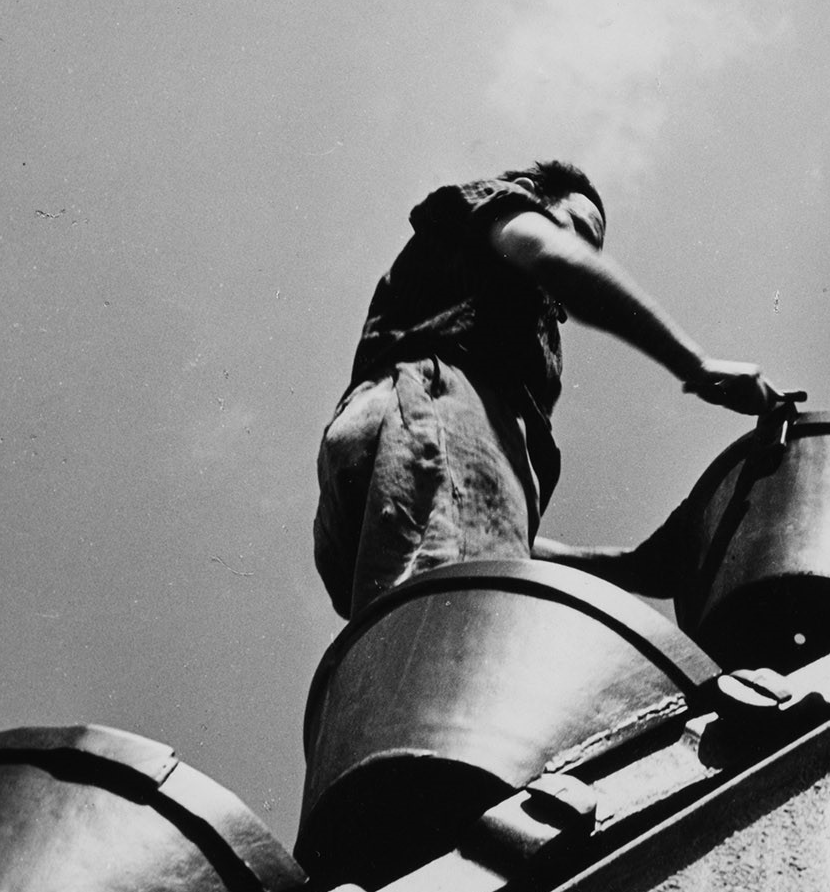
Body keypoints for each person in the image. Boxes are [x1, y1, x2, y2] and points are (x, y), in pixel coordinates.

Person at [312, 160, 773, 620]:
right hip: (437, 407)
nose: (581, 251)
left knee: (416, 639)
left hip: (389, 456)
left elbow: (490, 538)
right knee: (457, 631)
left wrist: (629, 568)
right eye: (576, 230)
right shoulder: (499, 204)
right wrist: (697, 366)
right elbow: (554, 259)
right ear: (529, 192)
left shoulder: (513, 315)